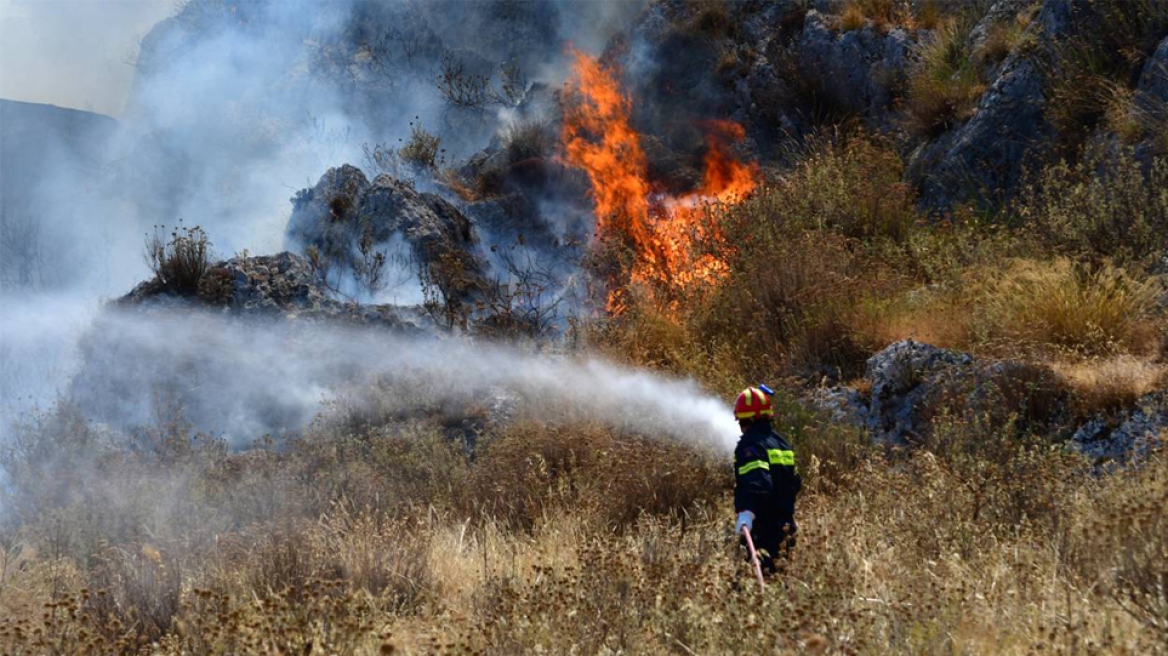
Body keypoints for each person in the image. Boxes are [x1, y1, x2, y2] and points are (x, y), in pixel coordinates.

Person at [733, 386, 801, 574]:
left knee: (751, 588)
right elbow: (795, 482)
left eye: (741, 421)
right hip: (786, 529)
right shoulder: (781, 443)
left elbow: (757, 483)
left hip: (763, 532)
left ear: (748, 419)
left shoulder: (750, 444)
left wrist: (747, 512)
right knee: (780, 585)